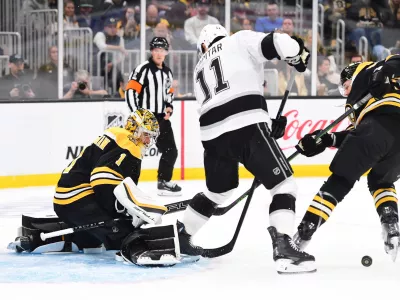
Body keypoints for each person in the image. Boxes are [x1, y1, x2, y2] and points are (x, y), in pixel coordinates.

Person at [123, 25, 315, 273]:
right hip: (246, 127)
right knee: (284, 186)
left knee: (218, 192)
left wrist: (265, 123)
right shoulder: (239, 40)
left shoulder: (200, 66)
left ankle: (182, 236)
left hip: (212, 137)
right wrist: (297, 53)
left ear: (203, 45)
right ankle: (284, 248)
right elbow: (281, 43)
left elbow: (225, 99)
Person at [8, 109, 175, 263]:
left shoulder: (118, 136)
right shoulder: (129, 144)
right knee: (121, 231)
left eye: (151, 136)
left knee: (92, 239)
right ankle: (140, 253)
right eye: (146, 135)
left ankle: (36, 238)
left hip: (66, 198)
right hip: (78, 198)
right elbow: (101, 178)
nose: (148, 141)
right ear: (135, 130)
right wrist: (125, 212)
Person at [293, 57, 400, 261]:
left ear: (353, 75)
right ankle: (391, 225)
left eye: (346, 86)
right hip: (390, 138)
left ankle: (304, 232)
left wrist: (383, 74)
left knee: (341, 179)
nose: (346, 92)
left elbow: (395, 60)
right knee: (381, 181)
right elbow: (356, 138)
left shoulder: (371, 70)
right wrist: (326, 140)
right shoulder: (360, 102)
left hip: (380, 124)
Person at [125, 37, 182, 196]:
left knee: (171, 150)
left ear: (166, 52)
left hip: (161, 118)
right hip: (144, 118)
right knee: (134, 152)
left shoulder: (167, 72)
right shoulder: (143, 69)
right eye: (156, 50)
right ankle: (127, 184)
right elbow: (131, 91)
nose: (159, 53)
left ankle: (163, 182)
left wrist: (169, 107)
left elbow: (169, 92)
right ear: (151, 51)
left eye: (162, 50)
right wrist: (137, 115)